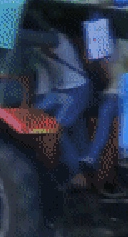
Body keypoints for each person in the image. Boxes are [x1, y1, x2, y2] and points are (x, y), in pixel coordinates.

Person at [31, 31, 93, 185]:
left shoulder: (56, 37)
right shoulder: (42, 46)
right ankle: (88, 169)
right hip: (62, 90)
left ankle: (77, 174)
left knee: (57, 129)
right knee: (77, 130)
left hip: (76, 88)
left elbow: (27, 38)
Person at [79, 36, 128, 174]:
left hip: (124, 94)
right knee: (107, 125)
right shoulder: (102, 48)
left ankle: (100, 157)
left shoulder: (122, 44)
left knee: (120, 126)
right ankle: (95, 157)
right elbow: (103, 74)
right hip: (113, 93)